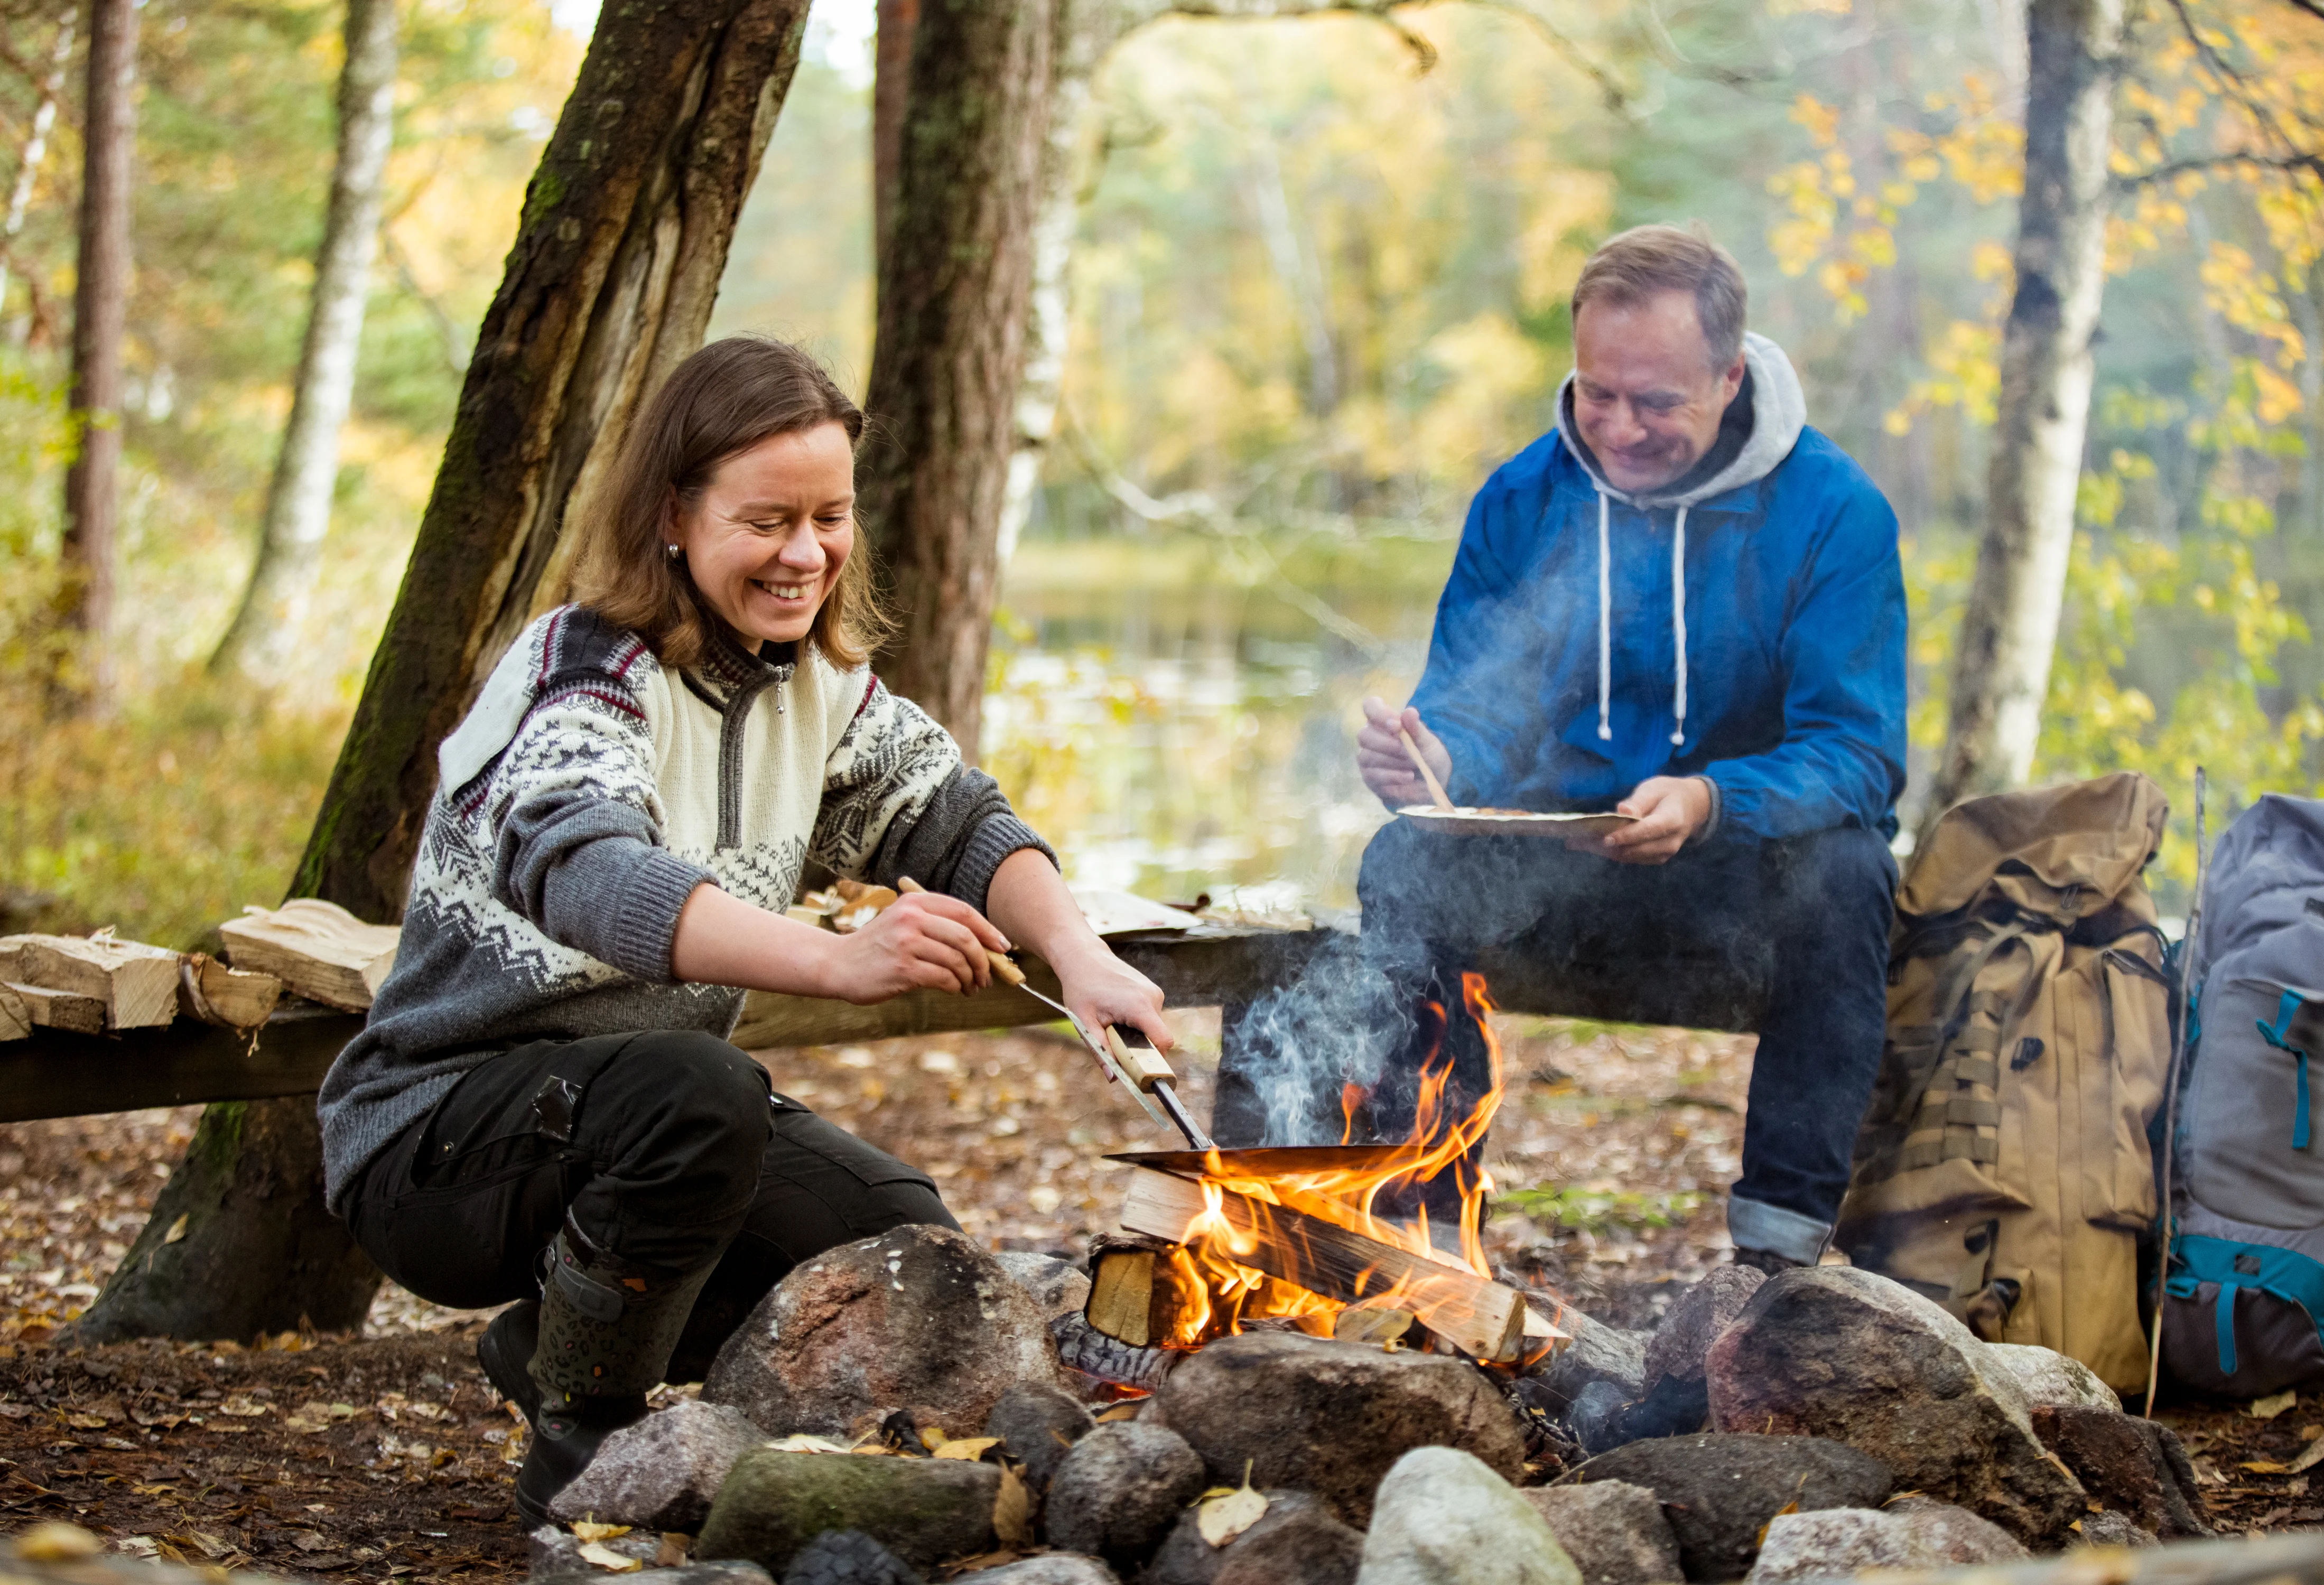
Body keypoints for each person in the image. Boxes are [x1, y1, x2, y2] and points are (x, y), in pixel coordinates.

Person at [315, 336, 1172, 1521]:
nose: (808, 552)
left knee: (895, 1242)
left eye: (832, 516)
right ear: (675, 513)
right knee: (700, 1089)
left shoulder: (814, 685)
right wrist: (834, 961)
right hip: (439, 1139)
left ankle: (558, 1344)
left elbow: (960, 816)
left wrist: (1083, 960)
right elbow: (589, 875)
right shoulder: (582, 670)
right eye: (769, 519)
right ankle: (587, 1438)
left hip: (640, 1118)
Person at [1224, 223, 1905, 1274]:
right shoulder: (1524, 497)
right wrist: (1435, 760)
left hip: (1736, 879)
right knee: (1407, 857)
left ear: (1729, 377)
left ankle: (1777, 1254)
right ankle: (1426, 1224)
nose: (1619, 429)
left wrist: (1712, 800)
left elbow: (1858, 754)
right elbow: (1477, 709)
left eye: (1656, 402)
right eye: (1597, 393)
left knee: (1853, 871)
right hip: (1558, 872)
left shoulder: (1833, 514)